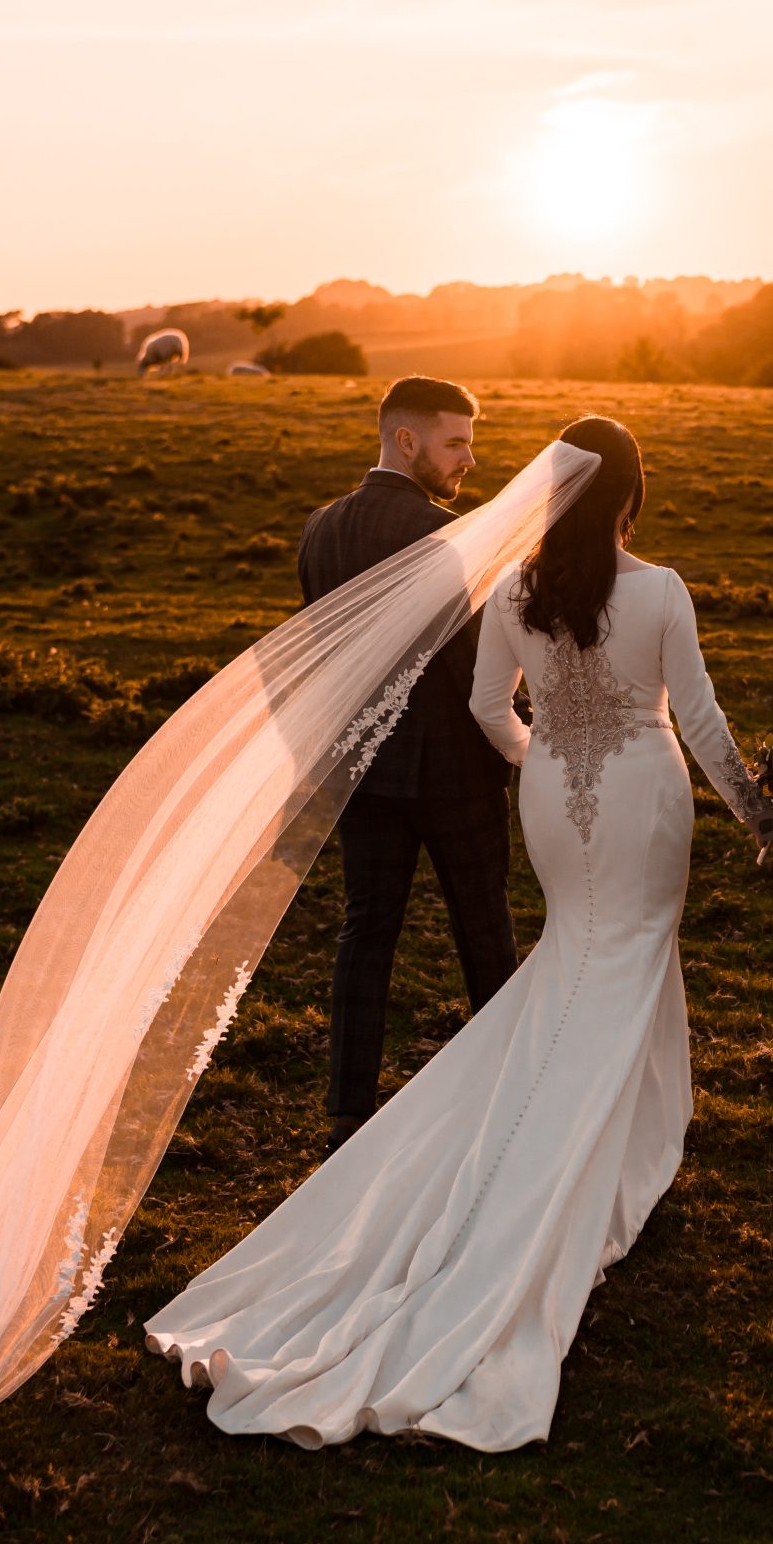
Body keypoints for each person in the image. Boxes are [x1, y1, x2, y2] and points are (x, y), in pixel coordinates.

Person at [145, 417, 773, 1451]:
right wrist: (760, 814)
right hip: (644, 802)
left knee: (577, 963)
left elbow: (490, 706)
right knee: (622, 967)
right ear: (630, 493)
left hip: (553, 807)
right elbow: (698, 720)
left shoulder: (517, 591)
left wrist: (543, 759)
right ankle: (590, 1160)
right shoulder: (660, 588)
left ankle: (626, 1141)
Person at [298, 377, 515, 1155]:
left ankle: (347, 1109)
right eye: (456, 442)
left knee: (367, 931)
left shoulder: (319, 530)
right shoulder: (445, 534)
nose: (470, 458)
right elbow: (473, 663)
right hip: (453, 768)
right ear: (407, 440)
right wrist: (514, 739)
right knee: (483, 928)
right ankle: (508, 1090)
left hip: (363, 770)